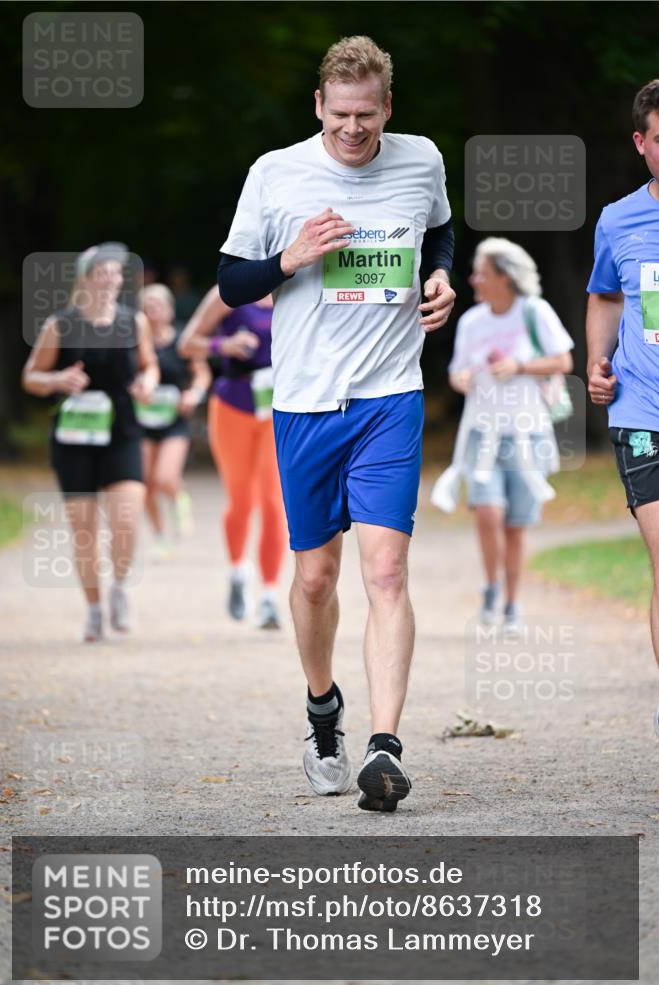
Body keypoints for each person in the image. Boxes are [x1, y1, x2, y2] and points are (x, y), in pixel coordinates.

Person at [216, 35, 456, 811]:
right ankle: (324, 711)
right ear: (318, 106)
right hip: (305, 404)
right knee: (316, 577)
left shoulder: (421, 160)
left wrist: (442, 275)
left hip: (390, 396)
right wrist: (288, 260)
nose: (354, 128)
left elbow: (439, 232)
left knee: (384, 572)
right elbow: (229, 281)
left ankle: (384, 748)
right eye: (340, 114)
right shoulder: (274, 173)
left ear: (387, 107)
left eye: (368, 114)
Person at [22, 243, 159, 641]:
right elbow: (31, 376)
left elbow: (149, 365)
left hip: (121, 432)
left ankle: (118, 588)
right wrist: (57, 380)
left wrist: (147, 384)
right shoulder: (60, 325)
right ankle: (94, 608)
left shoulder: (134, 322)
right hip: (74, 438)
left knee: (126, 520)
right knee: (84, 531)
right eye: (103, 273)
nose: (112, 280)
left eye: (117, 273)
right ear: (85, 279)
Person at [436, 239, 574, 631]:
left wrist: (518, 366)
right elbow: (457, 373)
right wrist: (461, 380)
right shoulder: (471, 322)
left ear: (504, 278)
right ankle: (491, 586)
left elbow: (563, 360)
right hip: (482, 433)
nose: (475, 279)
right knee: (488, 513)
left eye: (482, 272)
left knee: (516, 525)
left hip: (527, 435)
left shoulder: (535, 312)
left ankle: (512, 604)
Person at [586, 79, 659, 728]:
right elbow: (605, 295)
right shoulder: (618, 218)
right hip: (641, 409)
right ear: (641, 143)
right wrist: (595, 360)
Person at [179, 289, 287, 629]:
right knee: (241, 501)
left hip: (280, 407)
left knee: (274, 503)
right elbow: (187, 343)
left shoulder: (299, 284)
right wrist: (220, 346)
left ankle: (269, 596)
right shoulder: (231, 290)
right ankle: (239, 570)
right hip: (233, 405)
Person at [137, 284, 211, 555]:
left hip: (174, 420)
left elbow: (202, 373)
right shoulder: (135, 342)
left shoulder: (183, 340)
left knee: (165, 477)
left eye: (157, 306)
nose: (152, 312)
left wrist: (194, 393)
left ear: (169, 309)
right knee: (144, 482)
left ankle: (178, 500)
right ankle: (159, 536)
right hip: (142, 421)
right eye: (147, 307)